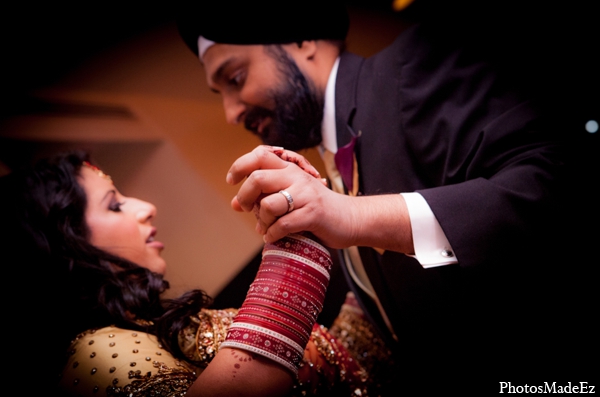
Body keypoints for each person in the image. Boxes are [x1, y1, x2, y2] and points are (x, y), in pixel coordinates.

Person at [175, 0, 581, 389]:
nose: (231, 113)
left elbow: (556, 182)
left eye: (235, 79)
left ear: (303, 39)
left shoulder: (418, 61)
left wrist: (352, 216)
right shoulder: (331, 158)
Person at [0, 150, 392, 397]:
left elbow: (344, 364)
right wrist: (299, 240)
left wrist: (372, 246)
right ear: (66, 244)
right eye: (114, 206)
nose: (145, 206)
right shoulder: (92, 352)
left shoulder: (147, 324)